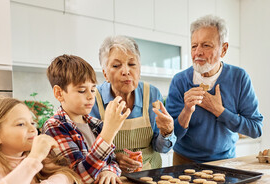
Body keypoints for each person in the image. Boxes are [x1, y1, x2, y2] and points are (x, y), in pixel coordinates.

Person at [165, 15, 263, 164]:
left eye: (206, 45)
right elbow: (170, 137)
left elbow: (256, 129)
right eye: (194, 46)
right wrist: (186, 111)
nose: (198, 52)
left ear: (223, 49)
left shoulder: (239, 78)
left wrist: (219, 111)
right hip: (184, 161)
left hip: (225, 161)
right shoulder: (180, 81)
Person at [90, 35, 176, 172]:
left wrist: (167, 132)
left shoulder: (152, 94)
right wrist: (114, 157)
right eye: (116, 65)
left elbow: (161, 148)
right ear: (105, 73)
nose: (126, 71)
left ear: (139, 70)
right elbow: (89, 153)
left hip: (150, 175)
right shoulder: (94, 99)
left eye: (132, 64)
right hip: (110, 178)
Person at [42, 54, 130, 184]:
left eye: (93, 89)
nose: (90, 96)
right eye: (82, 90)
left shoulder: (96, 124)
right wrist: (109, 132)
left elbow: (112, 161)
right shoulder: (54, 126)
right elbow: (78, 175)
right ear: (59, 93)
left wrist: (109, 171)